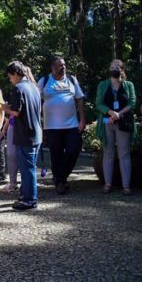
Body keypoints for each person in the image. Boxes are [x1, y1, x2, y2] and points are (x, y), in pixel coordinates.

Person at [37, 56, 86, 195]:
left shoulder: (71, 80)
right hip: (52, 127)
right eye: (59, 65)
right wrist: (37, 121)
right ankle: (60, 182)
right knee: (56, 154)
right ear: (52, 67)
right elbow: (35, 100)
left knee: (74, 149)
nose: (63, 67)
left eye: (64, 65)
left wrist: (82, 120)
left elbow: (80, 100)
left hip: (72, 125)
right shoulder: (44, 81)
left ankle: (60, 176)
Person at [2, 61, 42, 211]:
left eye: (10, 77)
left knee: (27, 168)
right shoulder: (34, 87)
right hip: (36, 133)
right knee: (29, 166)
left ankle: (30, 200)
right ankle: (25, 195)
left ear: (15, 74)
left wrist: (5, 108)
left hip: (25, 134)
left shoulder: (19, 88)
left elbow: (16, 112)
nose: (10, 80)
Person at [95, 59, 136, 195]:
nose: (115, 68)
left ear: (122, 69)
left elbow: (133, 102)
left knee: (124, 153)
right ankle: (107, 184)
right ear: (109, 69)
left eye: (118, 66)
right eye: (112, 66)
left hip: (123, 122)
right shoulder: (103, 85)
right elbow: (99, 103)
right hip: (107, 122)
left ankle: (126, 186)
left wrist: (119, 113)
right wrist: (111, 112)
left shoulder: (129, 85)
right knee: (108, 153)